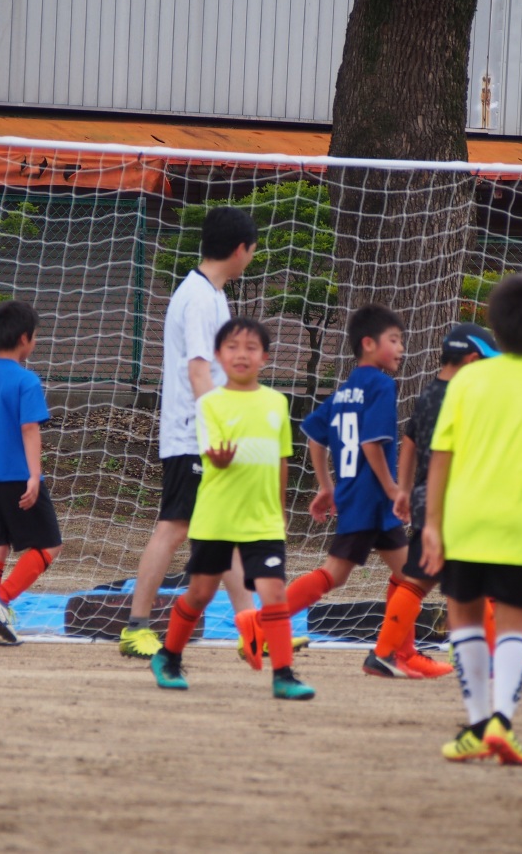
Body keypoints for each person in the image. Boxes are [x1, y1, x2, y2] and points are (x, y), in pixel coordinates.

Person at [422, 274, 522, 765]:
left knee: (465, 618)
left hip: (465, 523)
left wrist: (432, 525)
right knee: (514, 626)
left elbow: (441, 457)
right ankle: (502, 723)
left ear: (495, 325)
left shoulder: (467, 381)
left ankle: (476, 724)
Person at [234, 303, 413, 678]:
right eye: (394, 340)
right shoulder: (381, 385)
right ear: (369, 344)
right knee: (353, 574)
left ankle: (396, 651)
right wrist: (394, 488)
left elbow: (315, 435)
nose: (401, 348)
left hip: (358, 497)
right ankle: (263, 623)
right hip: (370, 499)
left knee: (406, 575)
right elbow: (371, 444)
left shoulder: (345, 391)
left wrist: (327, 485)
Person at [118, 206, 263, 659]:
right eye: (253, 250)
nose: (252, 258)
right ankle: (136, 627)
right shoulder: (199, 297)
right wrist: (219, 430)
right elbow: (199, 373)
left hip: (204, 433)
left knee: (224, 533)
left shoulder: (213, 294)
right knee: (174, 527)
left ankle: (252, 628)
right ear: (239, 250)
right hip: (193, 436)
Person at [150, 318, 314, 700]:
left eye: (251, 347)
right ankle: (168, 656)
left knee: (274, 592)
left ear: (265, 357)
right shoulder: (209, 403)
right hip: (216, 518)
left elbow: (282, 460)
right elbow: (213, 453)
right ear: (219, 356)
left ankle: (284, 674)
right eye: (233, 347)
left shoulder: (277, 402)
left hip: (263, 520)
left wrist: (280, 510)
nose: (242, 354)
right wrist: (220, 460)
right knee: (200, 594)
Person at [380, 323, 502, 678]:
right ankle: (387, 652)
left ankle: (387, 652)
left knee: (429, 579)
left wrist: (404, 490)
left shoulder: (428, 394)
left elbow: (409, 444)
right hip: (452, 499)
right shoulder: (462, 398)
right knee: (441, 581)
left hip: (426, 497)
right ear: (472, 360)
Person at [0, 300, 63, 645]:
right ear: (25, 338)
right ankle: (0, 599)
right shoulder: (26, 380)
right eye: (35, 336)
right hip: (17, 477)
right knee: (50, 545)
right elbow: (29, 428)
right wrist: (34, 476)